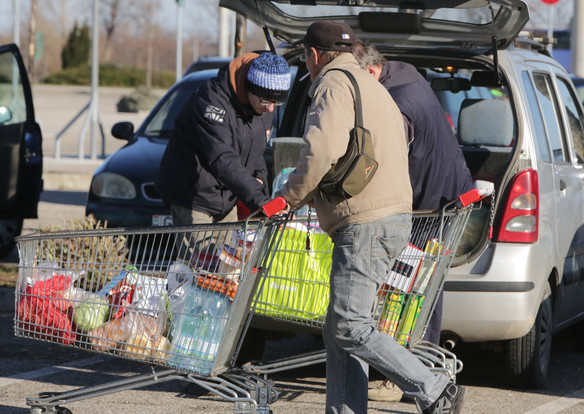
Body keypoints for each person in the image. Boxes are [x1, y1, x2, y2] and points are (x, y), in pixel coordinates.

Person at [280, 21, 466, 414]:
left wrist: (288, 198)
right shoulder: (372, 84)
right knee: (339, 329)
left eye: (304, 58)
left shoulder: (333, 83)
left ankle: (433, 388)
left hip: (365, 222)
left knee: (350, 325)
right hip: (392, 215)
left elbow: (321, 150)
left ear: (313, 56)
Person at [353, 41, 474, 403]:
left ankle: (409, 373)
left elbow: (385, 159)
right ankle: (419, 367)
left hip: (431, 203)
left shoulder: (395, 103)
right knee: (422, 284)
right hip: (445, 193)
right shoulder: (403, 72)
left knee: (414, 287)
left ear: (370, 71)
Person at [156, 52, 291, 226]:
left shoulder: (261, 109)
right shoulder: (211, 102)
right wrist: (260, 200)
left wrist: (259, 179)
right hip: (194, 199)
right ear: (251, 87)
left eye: (277, 102)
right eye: (267, 101)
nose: (271, 108)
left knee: (228, 254)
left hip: (228, 201)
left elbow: (257, 153)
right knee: (201, 254)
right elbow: (222, 157)